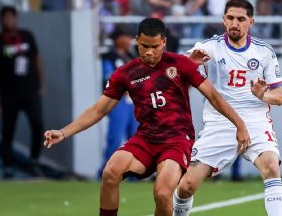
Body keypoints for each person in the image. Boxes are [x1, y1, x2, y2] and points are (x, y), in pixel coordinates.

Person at [43, 17, 249, 216]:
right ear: (136, 41)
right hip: (146, 139)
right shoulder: (125, 73)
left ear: (164, 42)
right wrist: (63, 132)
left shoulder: (180, 64)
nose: (149, 52)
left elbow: (213, 96)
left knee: (161, 193)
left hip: (176, 139)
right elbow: (98, 110)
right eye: (144, 46)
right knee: (110, 172)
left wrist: (239, 125)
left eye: (155, 47)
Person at [173, 0, 282, 216]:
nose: (235, 23)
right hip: (220, 121)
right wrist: (190, 64)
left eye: (241, 19)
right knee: (186, 186)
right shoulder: (209, 48)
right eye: (231, 18)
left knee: (271, 167)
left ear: (251, 21)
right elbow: (172, 71)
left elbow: (280, 97)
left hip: (255, 120)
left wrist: (264, 94)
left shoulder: (264, 52)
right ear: (223, 20)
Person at [0, 6, 45, 178]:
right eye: (5, 18)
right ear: (1, 20)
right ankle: (7, 165)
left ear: (16, 19)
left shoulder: (27, 36)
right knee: (8, 130)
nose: (9, 20)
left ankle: (34, 161)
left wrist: (41, 84)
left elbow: (37, 59)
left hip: (30, 91)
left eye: (11, 17)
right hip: (8, 94)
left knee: (37, 125)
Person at [97, 27, 139, 178]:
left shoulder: (131, 55)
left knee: (135, 137)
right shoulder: (109, 57)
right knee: (115, 136)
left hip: (133, 102)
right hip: (118, 100)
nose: (129, 41)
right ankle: (106, 171)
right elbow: (108, 76)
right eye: (126, 37)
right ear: (118, 39)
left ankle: (134, 173)